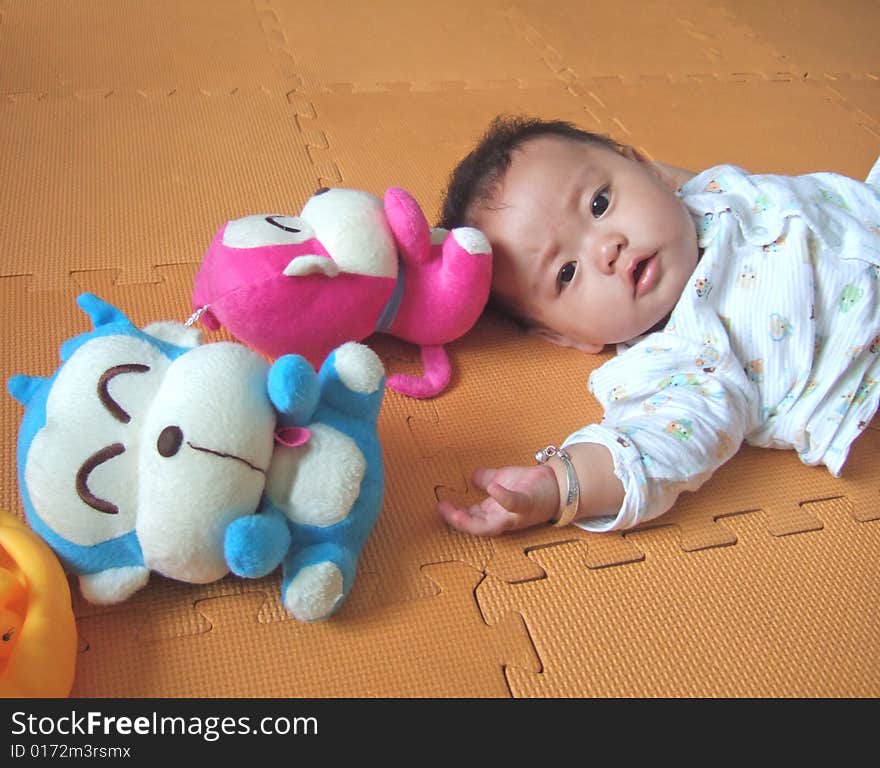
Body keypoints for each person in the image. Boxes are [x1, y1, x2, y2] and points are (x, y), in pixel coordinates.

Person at [435, 115, 880, 537]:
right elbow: (658, 445)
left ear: (648, 170)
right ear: (570, 336)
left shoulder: (706, 192)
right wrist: (560, 486)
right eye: (566, 273)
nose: (606, 248)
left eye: (599, 204)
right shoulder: (679, 357)